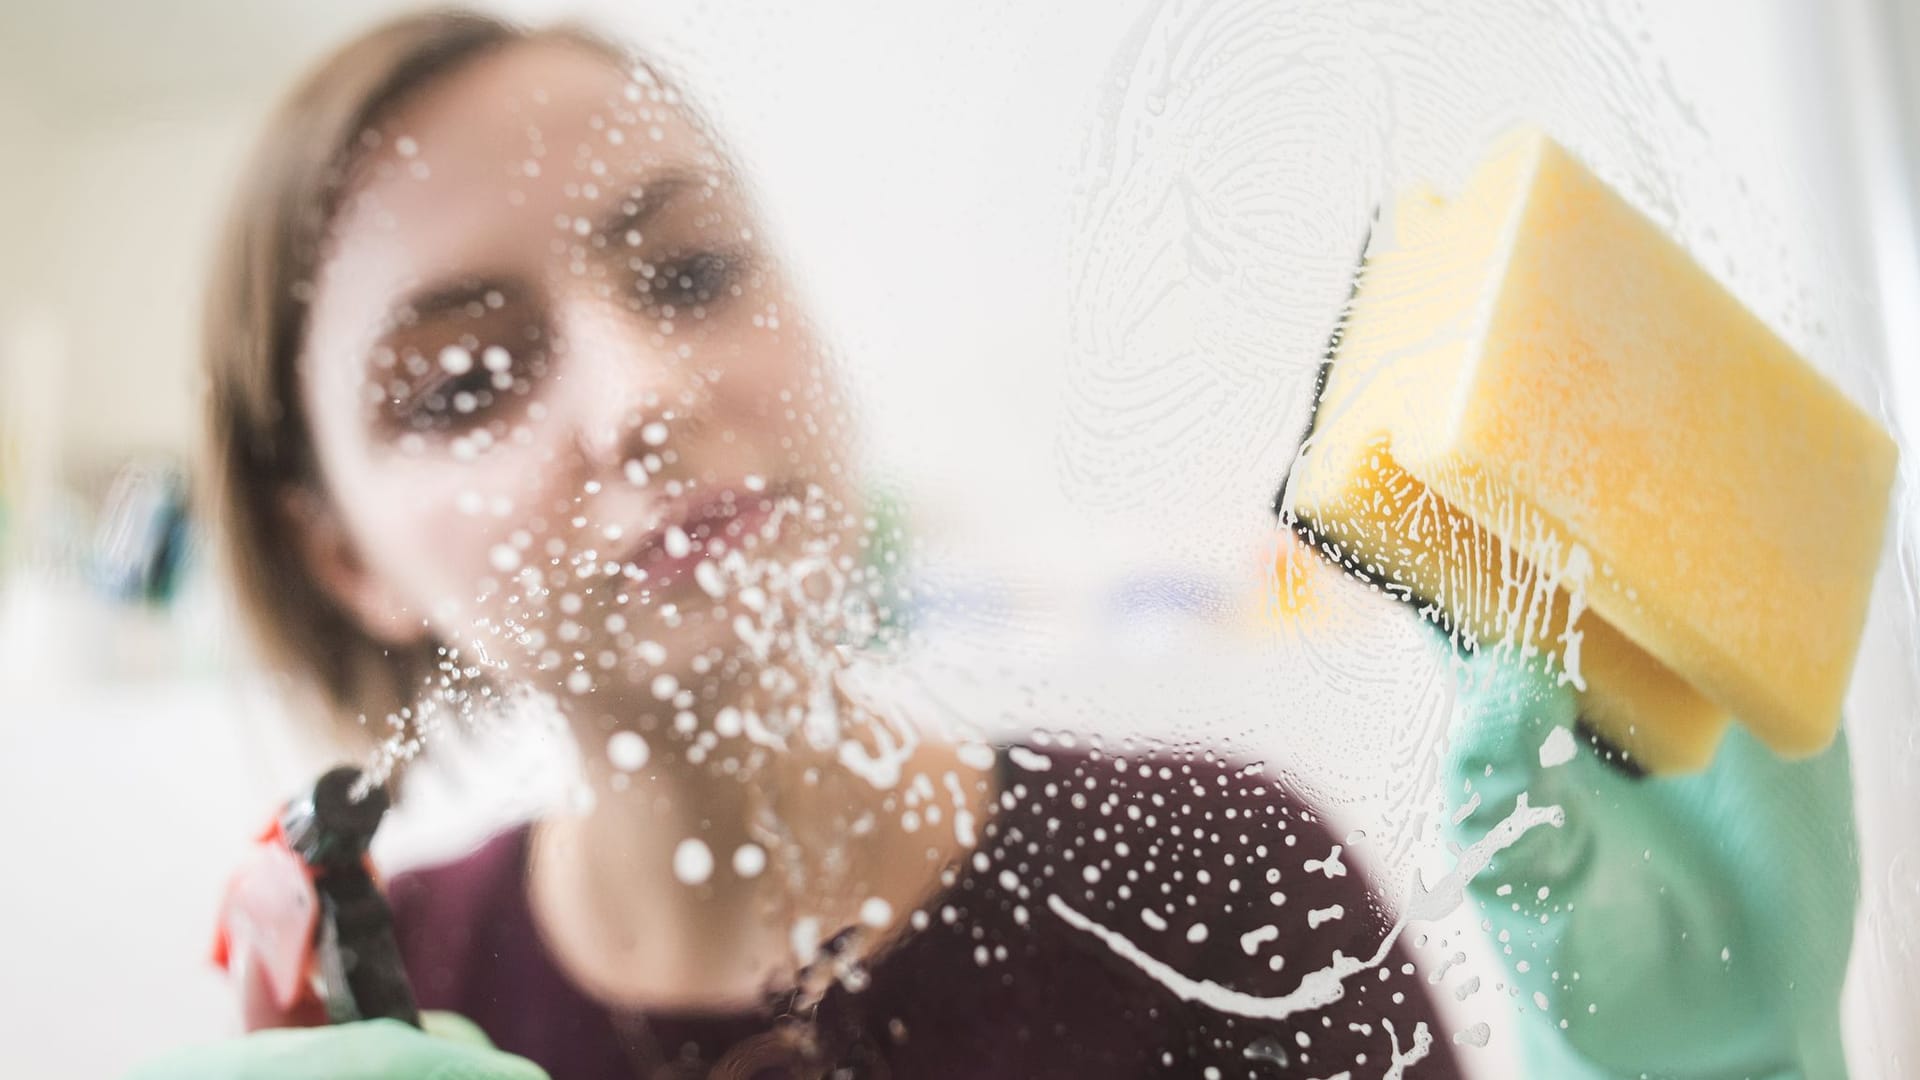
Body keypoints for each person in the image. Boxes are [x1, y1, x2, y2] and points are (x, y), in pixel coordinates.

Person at [131, 11, 1463, 1079]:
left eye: (692, 272)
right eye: (467, 383)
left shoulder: (1223, 882)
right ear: (345, 558)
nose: (643, 393)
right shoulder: (376, 997)